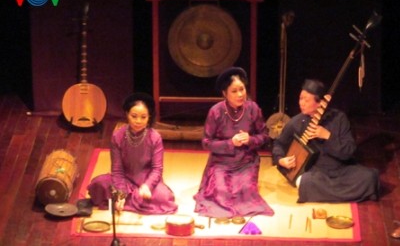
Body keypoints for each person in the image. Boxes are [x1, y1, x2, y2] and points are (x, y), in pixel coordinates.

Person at [272, 79, 380, 203]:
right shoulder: (296, 122)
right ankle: (344, 194)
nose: (301, 103)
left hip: (342, 169)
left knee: (370, 178)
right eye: (300, 98)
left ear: (320, 103)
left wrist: (328, 136)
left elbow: (349, 151)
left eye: (306, 100)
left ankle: (323, 194)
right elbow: (279, 144)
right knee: (304, 181)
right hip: (317, 173)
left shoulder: (339, 118)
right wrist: (281, 160)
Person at [194, 67, 274, 218]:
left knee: (244, 191)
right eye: (234, 91)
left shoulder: (253, 108)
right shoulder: (216, 111)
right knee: (220, 191)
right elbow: (206, 142)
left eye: (242, 89)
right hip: (220, 162)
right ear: (224, 93)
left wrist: (250, 139)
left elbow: (265, 136)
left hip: (246, 160)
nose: (240, 94)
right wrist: (230, 143)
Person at [87, 92, 178, 214]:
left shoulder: (155, 137)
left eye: (143, 117)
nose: (138, 121)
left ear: (149, 117)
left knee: (164, 197)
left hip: (146, 180)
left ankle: (127, 200)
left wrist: (147, 186)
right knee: (97, 184)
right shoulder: (117, 136)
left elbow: (157, 169)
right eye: (134, 116)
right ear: (127, 114)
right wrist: (121, 192)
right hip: (125, 178)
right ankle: (132, 200)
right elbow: (117, 170)